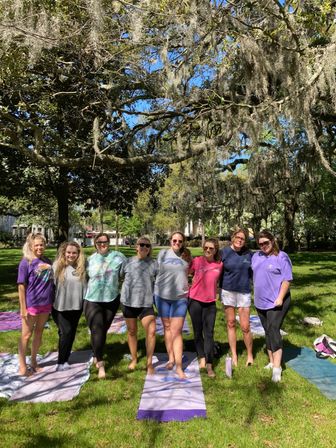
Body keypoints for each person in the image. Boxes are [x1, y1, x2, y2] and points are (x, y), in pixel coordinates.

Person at [252, 230, 292, 383]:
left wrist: (280, 298)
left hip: (277, 302)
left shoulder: (282, 257)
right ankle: (271, 361)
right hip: (260, 301)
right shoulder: (256, 256)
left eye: (266, 243)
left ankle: (277, 368)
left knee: (274, 330)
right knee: (267, 330)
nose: (263, 246)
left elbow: (287, 280)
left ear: (273, 241)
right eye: (260, 244)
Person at [84, 232, 126, 379]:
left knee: (103, 330)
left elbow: (127, 273)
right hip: (92, 299)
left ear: (109, 242)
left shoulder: (119, 257)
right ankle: (101, 364)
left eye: (105, 242)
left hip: (111, 299)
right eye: (100, 242)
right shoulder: (89, 260)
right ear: (95, 243)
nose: (103, 244)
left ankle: (96, 353)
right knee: (97, 328)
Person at [154, 231, 191, 379]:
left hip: (180, 298)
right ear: (170, 241)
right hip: (161, 296)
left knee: (177, 331)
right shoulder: (162, 254)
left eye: (180, 241)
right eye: (174, 240)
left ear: (183, 243)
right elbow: (155, 272)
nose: (177, 243)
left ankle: (179, 367)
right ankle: (170, 359)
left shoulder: (187, 256)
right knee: (167, 328)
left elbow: (195, 273)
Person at [17, 233, 54, 376]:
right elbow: (21, 286)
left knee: (39, 332)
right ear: (31, 246)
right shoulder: (25, 262)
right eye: (36, 245)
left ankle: (33, 362)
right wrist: (23, 308)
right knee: (26, 335)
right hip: (31, 304)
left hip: (45, 303)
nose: (39, 247)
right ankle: (22, 367)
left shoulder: (47, 260)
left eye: (41, 244)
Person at [120, 236, 157, 375]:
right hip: (128, 302)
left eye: (147, 246)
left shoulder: (154, 263)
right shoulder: (128, 262)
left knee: (151, 331)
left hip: (146, 303)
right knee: (132, 332)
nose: (144, 248)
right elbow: (120, 276)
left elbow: (160, 280)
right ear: (136, 247)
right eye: (141, 245)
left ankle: (149, 363)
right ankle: (134, 359)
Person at [188, 238, 223, 378]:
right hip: (194, 300)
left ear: (215, 250)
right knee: (197, 332)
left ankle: (209, 364)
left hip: (210, 303)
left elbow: (220, 281)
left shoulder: (219, 265)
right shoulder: (197, 261)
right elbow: (187, 272)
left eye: (211, 249)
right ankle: (201, 357)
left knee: (209, 333)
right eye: (206, 248)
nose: (208, 250)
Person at [220, 228, 253, 367]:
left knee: (245, 326)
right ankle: (234, 355)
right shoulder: (224, 252)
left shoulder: (249, 254)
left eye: (243, 238)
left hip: (244, 291)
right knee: (231, 323)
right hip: (228, 291)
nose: (240, 240)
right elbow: (216, 269)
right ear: (233, 237)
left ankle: (250, 355)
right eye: (238, 237)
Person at [52, 241, 87, 371]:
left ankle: (66, 359)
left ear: (78, 254)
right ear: (64, 253)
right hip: (60, 307)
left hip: (77, 306)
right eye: (68, 252)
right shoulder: (57, 266)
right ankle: (60, 362)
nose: (71, 255)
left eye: (74, 253)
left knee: (70, 333)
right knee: (65, 332)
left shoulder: (82, 267)